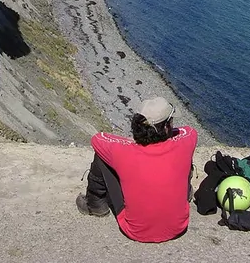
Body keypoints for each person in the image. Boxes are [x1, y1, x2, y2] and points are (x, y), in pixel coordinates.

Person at [75, 96, 198, 243]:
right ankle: (185, 194)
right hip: (178, 227)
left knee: (102, 155)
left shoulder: (123, 152)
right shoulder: (186, 142)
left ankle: (95, 204)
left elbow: (97, 139)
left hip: (136, 231)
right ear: (166, 127)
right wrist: (167, 134)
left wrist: (130, 142)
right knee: (185, 157)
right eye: (171, 121)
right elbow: (188, 130)